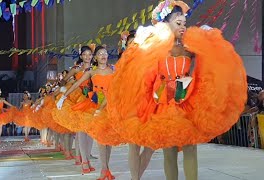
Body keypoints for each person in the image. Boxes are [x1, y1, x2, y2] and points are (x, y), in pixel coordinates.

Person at [105, 1, 247, 179]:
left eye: (184, 23)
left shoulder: (189, 47)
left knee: (190, 147)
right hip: (164, 102)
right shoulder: (153, 48)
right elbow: (136, 71)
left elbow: (213, 60)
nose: (183, 27)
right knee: (169, 151)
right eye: (178, 23)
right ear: (165, 24)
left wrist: (210, 39)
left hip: (186, 100)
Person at [57, 46, 118, 179]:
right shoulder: (91, 71)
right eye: (100, 54)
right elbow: (77, 83)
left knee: (109, 138)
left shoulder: (113, 69)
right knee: (101, 137)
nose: (103, 55)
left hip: (111, 105)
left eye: (105, 53)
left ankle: (106, 168)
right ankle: (103, 169)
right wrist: (63, 96)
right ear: (95, 57)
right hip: (95, 106)